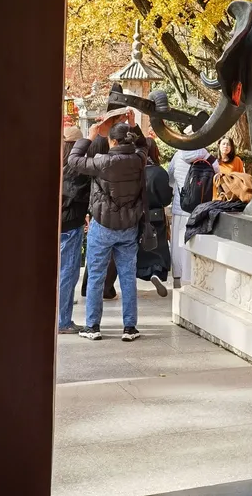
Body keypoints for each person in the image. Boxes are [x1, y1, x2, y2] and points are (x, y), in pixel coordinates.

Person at [69, 111, 148, 341]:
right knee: (127, 277)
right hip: (129, 227)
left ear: (111, 141)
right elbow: (143, 146)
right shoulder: (138, 160)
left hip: (102, 225)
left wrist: (89, 136)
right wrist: (134, 125)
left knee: (95, 275)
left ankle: (93, 326)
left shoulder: (102, 162)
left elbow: (73, 161)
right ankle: (129, 328)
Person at [168, 128, 219, 288]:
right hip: (199, 208)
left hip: (180, 206)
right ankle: (192, 280)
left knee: (178, 245)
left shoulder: (177, 156)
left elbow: (170, 179)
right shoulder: (208, 157)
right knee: (193, 243)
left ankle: (178, 279)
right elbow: (217, 173)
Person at [58, 127, 91, 334]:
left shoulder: (57, 162)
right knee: (67, 274)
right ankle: (63, 321)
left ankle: (58, 318)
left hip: (57, 224)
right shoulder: (77, 168)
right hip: (71, 224)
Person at [136, 138, 173, 296]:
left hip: (137, 215)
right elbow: (166, 199)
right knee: (158, 246)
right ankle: (156, 273)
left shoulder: (134, 170)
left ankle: (140, 272)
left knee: (140, 247)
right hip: (156, 215)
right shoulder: (159, 172)